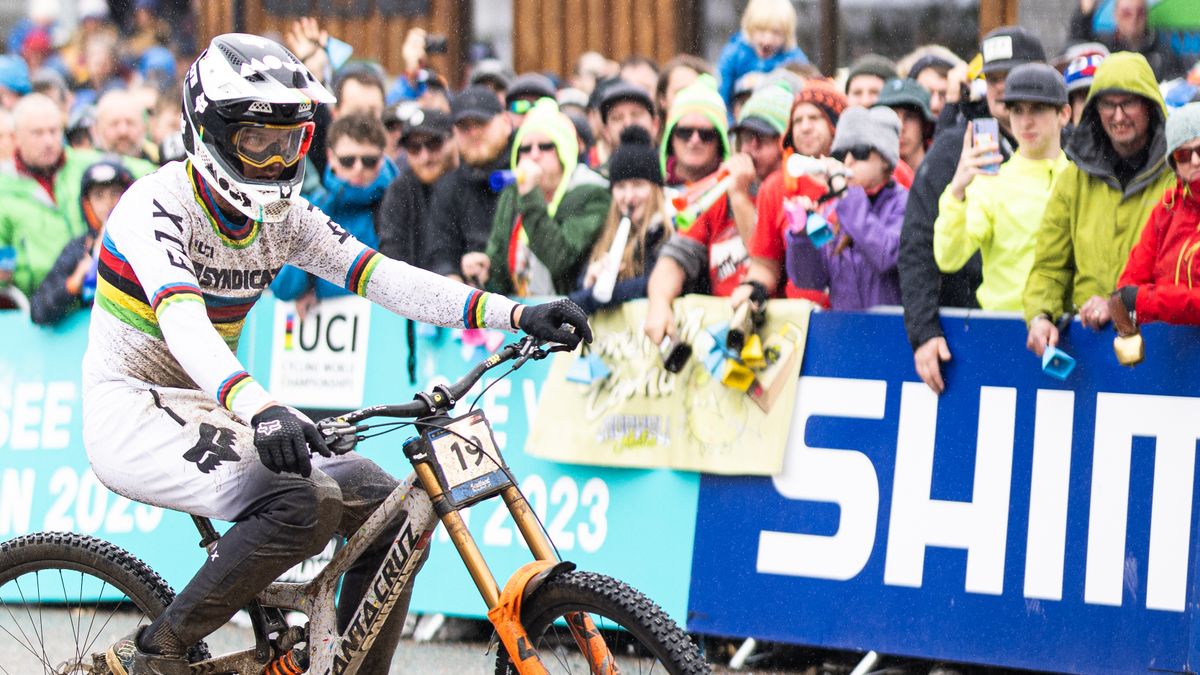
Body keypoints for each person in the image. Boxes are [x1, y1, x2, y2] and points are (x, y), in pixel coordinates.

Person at [91, 35, 591, 675]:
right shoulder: (155, 206)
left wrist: (513, 312)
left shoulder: (286, 217)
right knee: (309, 501)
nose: (276, 163)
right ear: (209, 132)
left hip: (215, 402)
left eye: (291, 142)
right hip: (133, 408)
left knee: (386, 516)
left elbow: (384, 277)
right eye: (256, 142)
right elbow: (184, 324)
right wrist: (262, 406)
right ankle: (152, 655)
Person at [898, 26, 1044, 394]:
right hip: (971, 336)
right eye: (991, 77)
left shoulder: (1068, 149)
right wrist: (924, 330)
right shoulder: (954, 148)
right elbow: (917, 243)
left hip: (1052, 332)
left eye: (1009, 75)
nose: (999, 87)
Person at [1024, 51, 1175, 357]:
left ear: (1150, 105)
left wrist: (1119, 304)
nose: (1118, 116)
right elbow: (1050, 267)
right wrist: (1040, 316)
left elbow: (1180, 275)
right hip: (1089, 350)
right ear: (1095, 109)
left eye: (1128, 103)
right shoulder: (1073, 180)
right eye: (1108, 104)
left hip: (1165, 347)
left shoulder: (1180, 176)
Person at [642, 83, 790, 345]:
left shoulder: (788, 193)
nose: (750, 149)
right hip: (726, 333)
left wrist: (741, 197)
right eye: (745, 138)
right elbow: (677, 256)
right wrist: (659, 302)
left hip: (781, 332)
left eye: (763, 139)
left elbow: (766, 259)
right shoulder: (720, 194)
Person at [933, 64, 1073, 312]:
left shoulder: (1081, 180)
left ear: (1064, 114)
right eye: (1017, 110)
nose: (1026, 121)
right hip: (1006, 328)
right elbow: (949, 258)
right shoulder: (992, 182)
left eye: (1038, 109)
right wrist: (956, 191)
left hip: (1070, 326)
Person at [0, 93, 153, 298]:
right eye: (37, 133)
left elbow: (143, 171)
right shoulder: (5, 186)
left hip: (91, 291)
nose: (49, 141)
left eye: (54, 131)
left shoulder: (85, 164)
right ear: (17, 136)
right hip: (36, 302)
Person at [729, 79, 847, 307]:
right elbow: (765, 264)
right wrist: (752, 288)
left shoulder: (862, 175)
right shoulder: (774, 187)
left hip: (855, 312)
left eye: (815, 118)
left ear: (836, 124)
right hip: (800, 319)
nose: (805, 127)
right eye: (797, 120)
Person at [782, 106, 907, 309]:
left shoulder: (903, 203)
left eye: (859, 152)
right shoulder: (837, 209)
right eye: (843, 154)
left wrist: (844, 193)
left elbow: (885, 255)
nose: (848, 161)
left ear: (885, 160)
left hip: (892, 331)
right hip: (846, 332)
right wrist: (803, 234)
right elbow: (811, 279)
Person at [271, 113, 398, 313]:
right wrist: (307, 283)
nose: (358, 168)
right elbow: (283, 288)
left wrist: (324, 292)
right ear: (331, 157)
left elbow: (398, 282)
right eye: (348, 160)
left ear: (383, 158)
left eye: (369, 160)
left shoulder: (401, 204)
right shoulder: (317, 207)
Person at [485, 98, 611, 296]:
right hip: (519, 313)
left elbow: (559, 258)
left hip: (569, 314)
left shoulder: (592, 193)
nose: (534, 155)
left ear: (564, 150)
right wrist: (484, 269)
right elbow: (499, 268)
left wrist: (529, 196)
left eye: (545, 147)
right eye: (525, 149)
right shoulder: (513, 193)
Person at [1110, 103, 1200, 328]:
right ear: (1175, 165)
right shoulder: (1168, 207)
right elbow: (1129, 283)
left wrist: (1145, 301)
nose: (1196, 161)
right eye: (1183, 155)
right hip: (1170, 353)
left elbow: (1134, 298)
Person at [570, 126, 671, 314]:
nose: (628, 196)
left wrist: (592, 298)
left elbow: (654, 283)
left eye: (638, 185)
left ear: (656, 188)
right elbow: (580, 289)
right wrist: (589, 282)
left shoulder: (667, 232)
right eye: (621, 187)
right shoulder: (607, 234)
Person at [424, 85, 513, 285]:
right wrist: (453, 283)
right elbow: (440, 252)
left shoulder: (526, 170)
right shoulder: (448, 186)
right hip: (471, 301)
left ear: (506, 123)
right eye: (464, 127)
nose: (474, 133)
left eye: (482, 123)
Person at [30, 159, 133, 325]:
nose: (108, 203)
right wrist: (72, 285)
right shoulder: (79, 249)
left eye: (115, 193)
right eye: (99, 196)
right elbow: (38, 309)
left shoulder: (143, 243)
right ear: (87, 203)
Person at [377, 107, 456, 267]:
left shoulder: (466, 183)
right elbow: (392, 254)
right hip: (416, 287)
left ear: (453, 139)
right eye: (414, 148)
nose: (425, 157)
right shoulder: (400, 191)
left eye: (433, 144)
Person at [715, 0, 808, 110]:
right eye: (761, 30)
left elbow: (804, 97)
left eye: (776, 32)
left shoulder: (794, 60)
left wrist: (764, 82)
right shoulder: (735, 53)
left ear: (787, 34)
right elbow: (721, 98)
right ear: (749, 28)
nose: (767, 41)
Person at [1069, 0, 1186, 81]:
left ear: (1146, 15)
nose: (1134, 19)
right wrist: (1084, 14)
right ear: (1115, 15)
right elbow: (1075, 48)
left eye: (1140, 12)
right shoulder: (1104, 46)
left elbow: (1178, 81)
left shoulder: (1161, 51)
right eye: (1127, 13)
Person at [659, 74, 730, 188]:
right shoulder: (652, 184)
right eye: (685, 132)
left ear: (720, 141)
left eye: (706, 134)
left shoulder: (736, 189)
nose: (695, 140)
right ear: (670, 137)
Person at [595, 80, 659, 177]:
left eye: (636, 114)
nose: (628, 123)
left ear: (655, 124)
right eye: (617, 118)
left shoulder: (672, 176)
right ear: (606, 132)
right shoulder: (597, 181)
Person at [876, 78, 935, 171]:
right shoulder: (865, 181)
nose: (900, 127)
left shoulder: (944, 168)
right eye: (891, 116)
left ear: (925, 126)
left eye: (910, 117)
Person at [93, 89, 155, 161]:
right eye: (114, 124)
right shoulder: (83, 165)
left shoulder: (159, 165)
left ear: (144, 128)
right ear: (97, 129)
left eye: (130, 123)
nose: (123, 131)